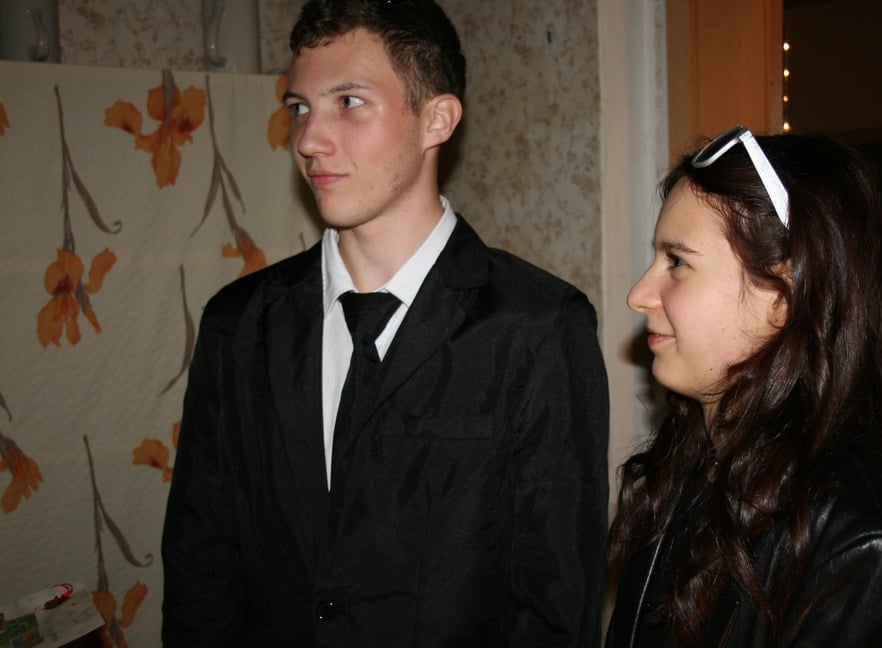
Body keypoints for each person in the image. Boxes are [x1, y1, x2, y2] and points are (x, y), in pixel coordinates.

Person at [161, 1, 609, 646]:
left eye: (348, 102)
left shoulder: (536, 327)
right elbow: (201, 564)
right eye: (300, 107)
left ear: (437, 119)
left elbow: (555, 601)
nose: (309, 139)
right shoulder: (238, 323)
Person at [606, 126, 882, 647]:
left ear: (783, 294)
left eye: (678, 262)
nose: (639, 294)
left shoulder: (869, 546)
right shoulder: (690, 471)